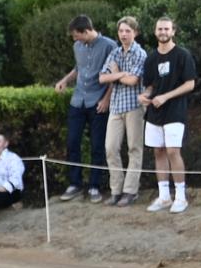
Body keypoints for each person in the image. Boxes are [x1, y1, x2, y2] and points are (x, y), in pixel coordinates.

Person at [54, 15, 116, 202]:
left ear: (87, 31)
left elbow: (114, 75)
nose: (75, 39)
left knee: (97, 145)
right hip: (78, 100)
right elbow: (78, 68)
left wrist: (106, 99)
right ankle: (75, 183)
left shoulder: (109, 45)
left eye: (76, 35)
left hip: (98, 101)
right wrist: (64, 81)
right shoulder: (77, 47)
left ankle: (95, 186)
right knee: (72, 142)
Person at [140, 16, 198, 214]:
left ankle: (180, 196)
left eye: (167, 29)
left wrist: (166, 97)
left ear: (173, 31)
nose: (163, 32)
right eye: (160, 29)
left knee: (173, 151)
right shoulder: (151, 58)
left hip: (175, 111)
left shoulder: (182, 55)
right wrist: (145, 96)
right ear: (155, 32)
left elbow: (190, 84)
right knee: (158, 152)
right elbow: (150, 86)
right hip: (154, 112)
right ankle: (164, 196)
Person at [98, 16, 149, 207]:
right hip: (116, 107)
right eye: (121, 31)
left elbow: (133, 80)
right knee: (110, 148)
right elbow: (102, 78)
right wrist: (120, 73)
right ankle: (116, 190)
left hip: (134, 107)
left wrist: (115, 74)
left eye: (128, 31)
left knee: (134, 149)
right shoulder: (115, 52)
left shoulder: (140, 53)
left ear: (135, 33)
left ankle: (130, 191)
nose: (124, 34)